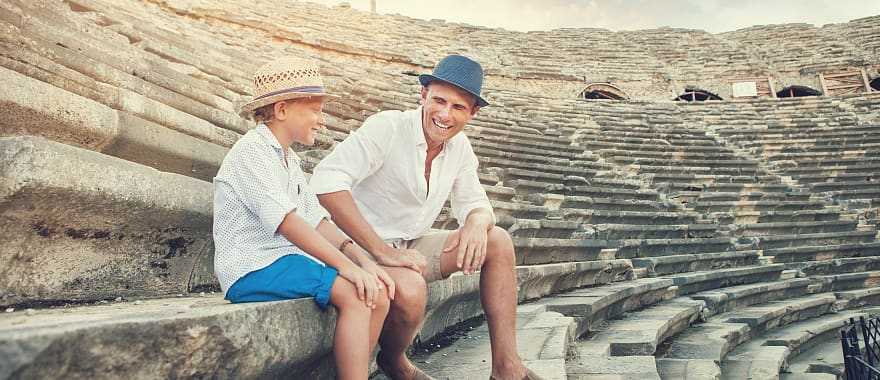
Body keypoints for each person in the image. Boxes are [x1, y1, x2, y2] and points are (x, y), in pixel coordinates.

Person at [311, 55, 542, 380]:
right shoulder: (388, 127)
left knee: (497, 241)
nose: (445, 115)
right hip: (353, 246)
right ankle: (393, 361)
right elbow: (326, 182)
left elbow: (475, 201)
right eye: (439, 101)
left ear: (473, 112)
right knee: (412, 290)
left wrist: (476, 221)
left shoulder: (459, 148)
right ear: (423, 95)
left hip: (410, 243)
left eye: (458, 107)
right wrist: (381, 251)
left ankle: (506, 368)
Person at [213, 57, 395, 380]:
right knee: (355, 294)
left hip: (282, 262)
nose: (321, 120)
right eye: (314, 109)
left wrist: (363, 261)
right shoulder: (251, 152)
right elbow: (289, 223)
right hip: (252, 267)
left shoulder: (288, 159)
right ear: (282, 110)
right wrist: (346, 268)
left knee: (375, 292)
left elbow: (318, 221)